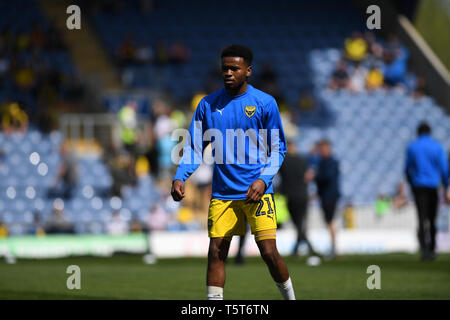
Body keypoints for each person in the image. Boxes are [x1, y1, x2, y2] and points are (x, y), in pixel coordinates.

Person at [171, 45, 294, 300]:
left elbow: (278, 148)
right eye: (225, 68)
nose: (228, 73)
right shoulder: (207, 105)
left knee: (269, 252)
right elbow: (195, 147)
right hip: (223, 194)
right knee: (216, 251)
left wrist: (263, 179)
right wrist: (180, 176)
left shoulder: (265, 103)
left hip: (257, 192)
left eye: (234, 68)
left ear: (248, 71)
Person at [405, 122, 450, 261]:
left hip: (419, 187)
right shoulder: (437, 147)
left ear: (418, 132)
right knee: (432, 218)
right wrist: (447, 185)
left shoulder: (412, 147)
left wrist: (411, 184)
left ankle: (424, 249)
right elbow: (444, 168)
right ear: (429, 132)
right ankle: (432, 248)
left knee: (421, 218)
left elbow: (407, 169)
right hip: (432, 187)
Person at [279, 139, 317, 257]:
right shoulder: (302, 160)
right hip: (302, 194)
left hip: (290, 195)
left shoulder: (283, 161)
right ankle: (308, 248)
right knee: (300, 223)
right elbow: (308, 176)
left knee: (297, 223)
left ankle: (298, 249)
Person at [313, 139, 340, 259]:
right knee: (329, 222)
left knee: (330, 222)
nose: (321, 151)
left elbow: (327, 177)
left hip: (330, 196)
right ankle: (333, 249)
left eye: (323, 149)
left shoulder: (332, 162)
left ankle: (334, 249)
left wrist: (315, 176)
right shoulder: (322, 162)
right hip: (325, 196)